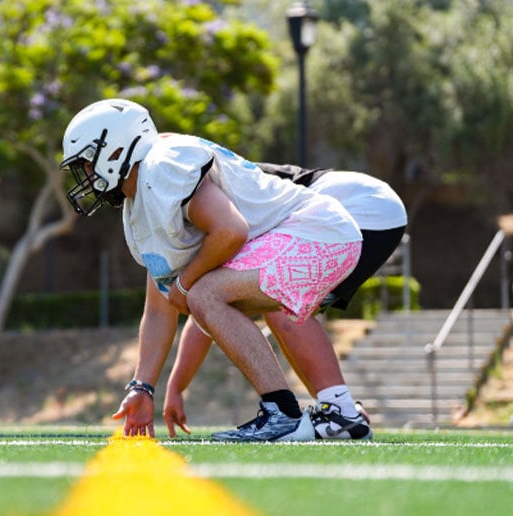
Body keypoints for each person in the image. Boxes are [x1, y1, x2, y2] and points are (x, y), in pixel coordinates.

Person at [59, 99, 363, 442]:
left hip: (319, 233)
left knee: (202, 294)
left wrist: (186, 285)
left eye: (87, 163)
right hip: (315, 236)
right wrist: (142, 387)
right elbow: (160, 307)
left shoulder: (161, 167)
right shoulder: (140, 201)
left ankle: (285, 415)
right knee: (198, 297)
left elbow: (231, 230)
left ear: (114, 151)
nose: (85, 175)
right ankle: (309, 414)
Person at [163, 163, 407, 440]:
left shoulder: (212, 203)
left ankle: (339, 411)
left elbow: (207, 308)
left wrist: (175, 387)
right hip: (374, 207)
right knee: (274, 296)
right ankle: (337, 408)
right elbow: (206, 311)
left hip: (362, 208)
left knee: (279, 296)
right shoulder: (216, 185)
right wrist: (176, 387)